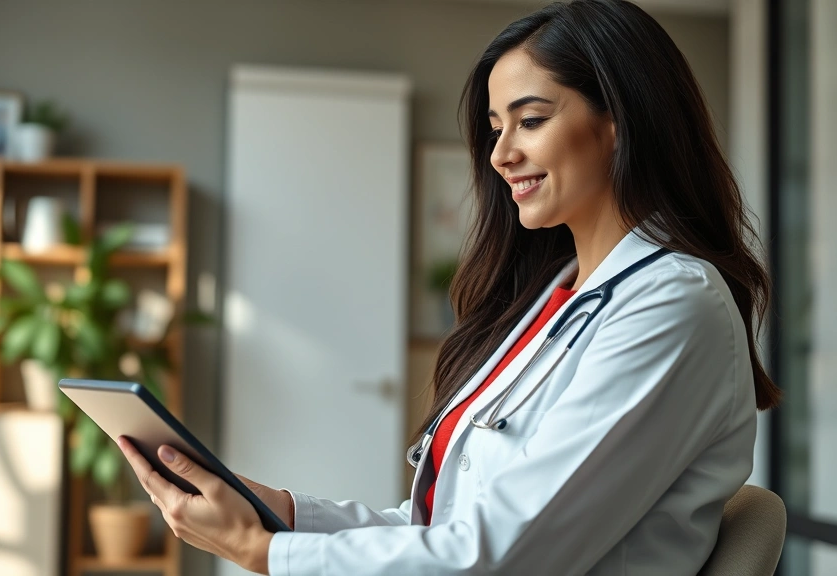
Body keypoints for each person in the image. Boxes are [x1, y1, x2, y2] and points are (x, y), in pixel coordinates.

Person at [117, 0, 782, 573]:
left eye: (530, 120)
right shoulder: (555, 297)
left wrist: (264, 552)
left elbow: (499, 557)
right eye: (496, 129)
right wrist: (283, 514)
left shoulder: (671, 304)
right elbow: (439, 530)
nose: (500, 154)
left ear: (619, 123)